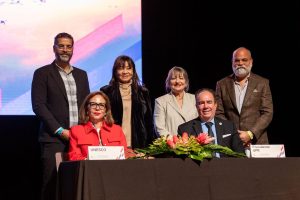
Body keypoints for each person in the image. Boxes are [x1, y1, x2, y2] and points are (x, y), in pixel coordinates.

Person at [31, 32, 90, 200]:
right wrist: (60, 131)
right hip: (53, 139)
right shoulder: (42, 73)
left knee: (78, 183)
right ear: (54, 48)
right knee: (51, 184)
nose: (65, 50)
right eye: (61, 46)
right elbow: (38, 106)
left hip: (79, 138)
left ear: (73, 49)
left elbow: (86, 105)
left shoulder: (81, 74)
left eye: (69, 46)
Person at [215, 47, 273, 146]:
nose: (240, 63)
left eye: (244, 60)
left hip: (257, 142)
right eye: (236, 60)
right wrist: (234, 134)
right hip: (230, 141)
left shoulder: (262, 83)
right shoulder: (222, 84)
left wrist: (250, 134)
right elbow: (218, 112)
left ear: (251, 61)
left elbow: (267, 112)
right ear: (232, 62)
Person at [100, 55, 156, 149]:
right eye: (121, 68)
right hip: (112, 143)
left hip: (138, 144)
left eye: (129, 68)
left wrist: (150, 147)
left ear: (133, 71)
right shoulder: (106, 92)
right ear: (115, 71)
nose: (125, 72)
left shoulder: (143, 92)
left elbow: (149, 122)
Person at [178, 88, 244, 156]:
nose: (206, 106)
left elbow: (240, 155)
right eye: (201, 103)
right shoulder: (185, 129)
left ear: (215, 105)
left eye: (209, 102)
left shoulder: (229, 126)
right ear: (196, 106)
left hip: (225, 165)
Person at [68, 91, 128, 160]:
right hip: (89, 169)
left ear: (106, 110)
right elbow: (73, 156)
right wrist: (87, 160)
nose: (97, 108)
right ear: (87, 109)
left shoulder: (117, 130)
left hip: (115, 168)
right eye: (93, 104)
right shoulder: (76, 131)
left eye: (101, 105)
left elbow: (125, 153)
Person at [153, 66, 198, 137]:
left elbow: (200, 123)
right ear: (168, 82)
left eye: (181, 78)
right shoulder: (160, 101)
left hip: (193, 144)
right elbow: (159, 128)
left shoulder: (195, 99)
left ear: (186, 82)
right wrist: (174, 142)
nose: (177, 81)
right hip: (171, 145)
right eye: (173, 78)